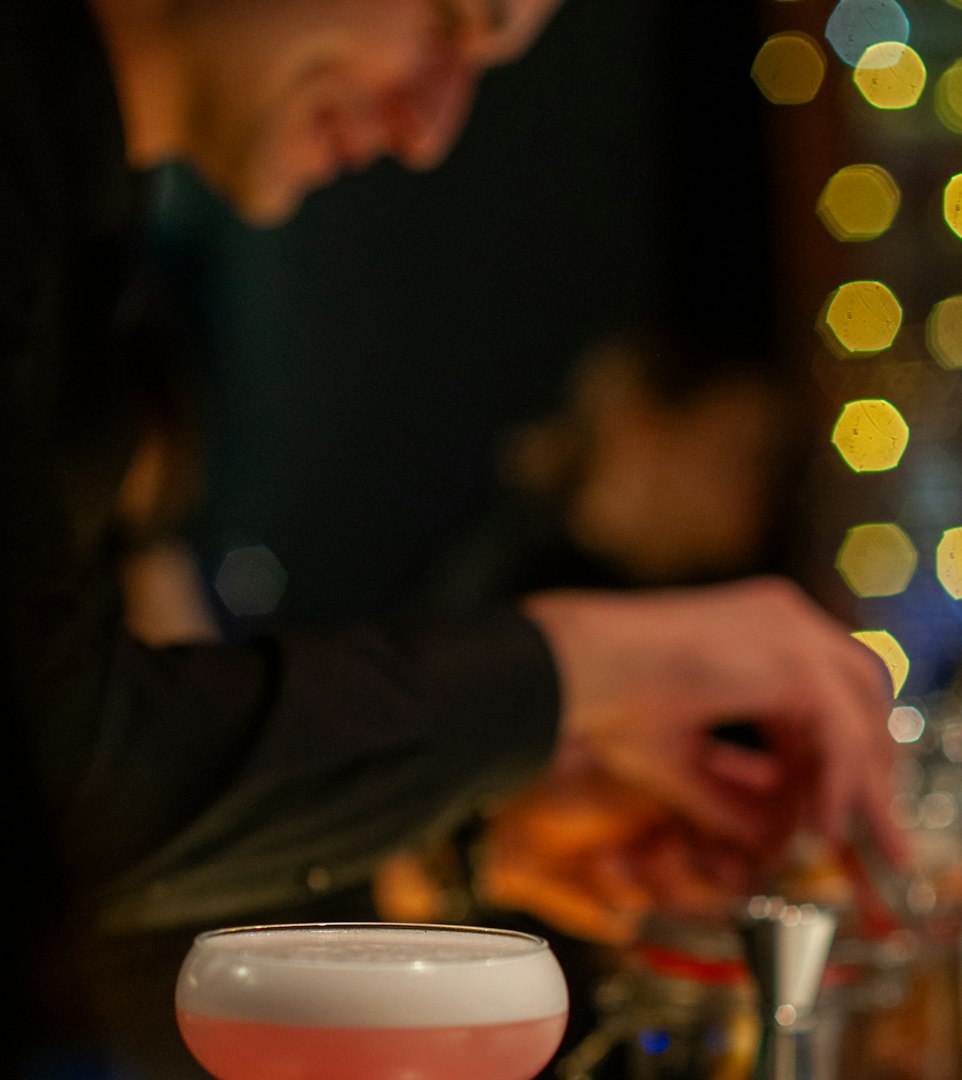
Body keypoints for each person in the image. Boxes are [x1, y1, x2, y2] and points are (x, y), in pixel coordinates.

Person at [1, 0, 903, 957]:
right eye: (452, 20)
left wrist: (460, 851)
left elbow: (90, 796)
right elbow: (54, 774)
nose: (428, 132)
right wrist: (577, 665)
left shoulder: (75, 203)